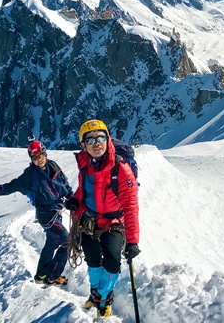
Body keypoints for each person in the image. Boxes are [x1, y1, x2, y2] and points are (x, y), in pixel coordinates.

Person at [65, 119, 141, 317]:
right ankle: (95, 293)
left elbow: (131, 207)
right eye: (90, 140)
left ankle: (104, 297)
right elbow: (85, 190)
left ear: (108, 140)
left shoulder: (121, 170)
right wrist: (75, 200)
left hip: (114, 222)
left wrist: (132, 241)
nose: (96, 143)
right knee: (93, 261)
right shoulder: (85, 166)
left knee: (112, 260)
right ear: (83, 145)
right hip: (89, 220)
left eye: (100, 138)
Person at [0, 140, 73, 286]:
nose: (39, 160)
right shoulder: (30, 175)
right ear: (31, 159)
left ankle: (41, 275)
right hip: (46, 215)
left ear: (45, 154)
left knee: (52, 243)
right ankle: (53, 275)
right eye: (35, 158)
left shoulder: (53, 165)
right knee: (67, 241)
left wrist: (72, 198)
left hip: (57, 211)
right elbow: (13, 185)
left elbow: (64, 184)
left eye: (41, 156)